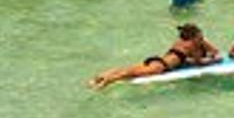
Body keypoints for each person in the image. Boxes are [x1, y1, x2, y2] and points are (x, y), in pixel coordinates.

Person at [87, 24, 221, 89]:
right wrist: (212, 61)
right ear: (193, 37)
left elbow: (212, 51)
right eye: (199, 36)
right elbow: (199, 62)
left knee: (129, 69)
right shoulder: (190, 46)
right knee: (130, 74)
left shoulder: (183, 42)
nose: (202, 38)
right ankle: (106, 82)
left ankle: (99, 77)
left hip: (158, 60)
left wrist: (207, 50)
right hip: (160, 67)